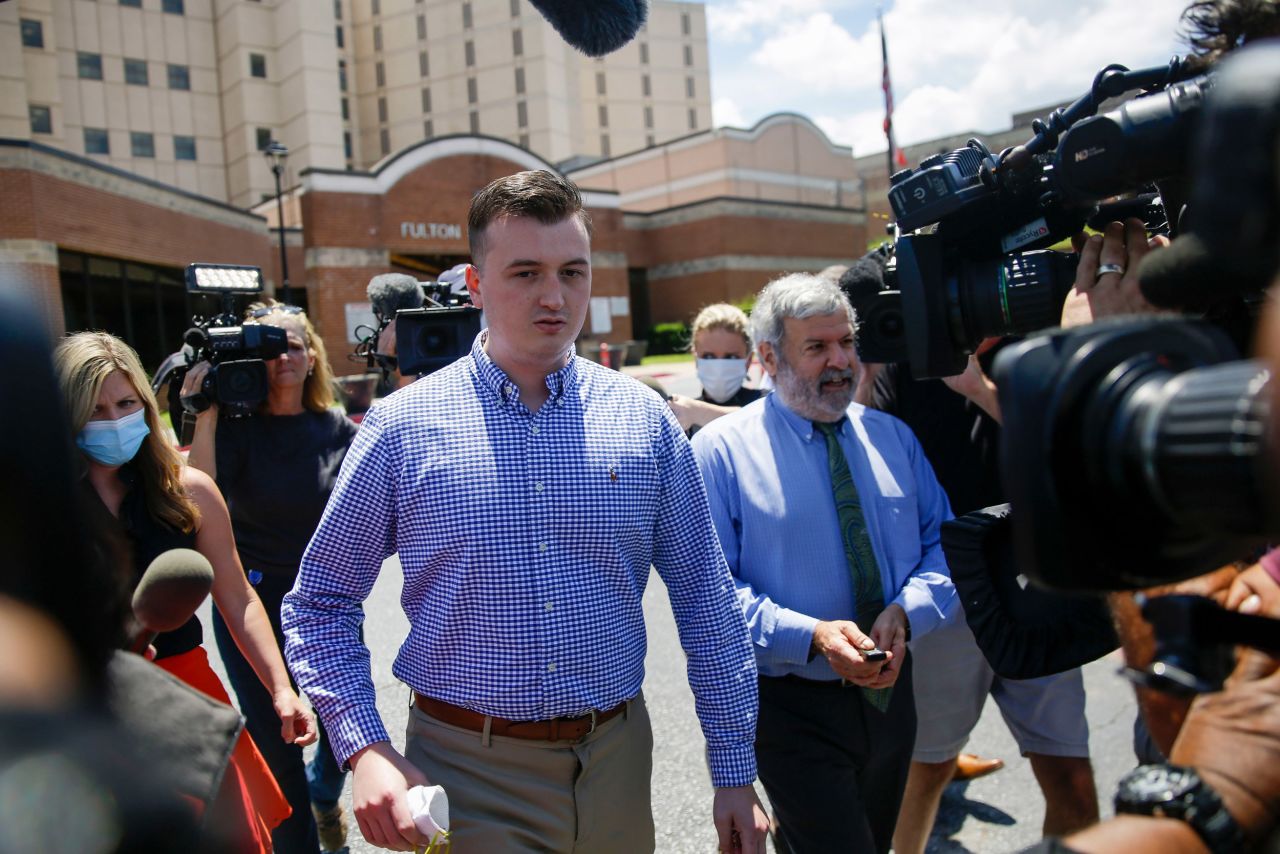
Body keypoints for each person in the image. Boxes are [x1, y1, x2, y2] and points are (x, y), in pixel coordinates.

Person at [282, 169, 770, 853]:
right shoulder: (401, 427)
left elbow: (706, 601)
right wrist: (364, 747)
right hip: (465, 772)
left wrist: (733, 771)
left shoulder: (644, 420)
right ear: (476, 284)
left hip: (617, 763)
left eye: (573, 271)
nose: (555, 295)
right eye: (525, 273)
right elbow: (321, 603)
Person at [691, 273, 957, 854]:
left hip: (891, 697)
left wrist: (907, 612)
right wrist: (810, 635)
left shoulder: (894, 438)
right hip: (792, 705)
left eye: (846, 343)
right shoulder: (721, 453)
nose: (840, 362)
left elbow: (945, 546)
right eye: (816, 347)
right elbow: (710, 593)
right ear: (768, 357)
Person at [55, 331, 317, 854]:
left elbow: (238, 596)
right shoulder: (34, 502)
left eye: (126, 403)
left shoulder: (188, 489)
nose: (113, 420)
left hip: (187, 698)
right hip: (79, 707)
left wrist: (280, 687)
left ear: (147, 406)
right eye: (95, 409)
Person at [183, 301, 359, 854]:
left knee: (342, 725)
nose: (286, 355)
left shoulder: (338, 430)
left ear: (312, 359)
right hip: (251, 601)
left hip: (326, 603)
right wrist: (206, 413)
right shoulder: (235, 431)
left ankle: (323, 792)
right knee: (277, 744)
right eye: (274, 346)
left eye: (296, 345)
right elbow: (197, 492)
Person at [667, 303, 763, 436]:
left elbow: (761, 420)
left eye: (731, 357)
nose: (719, 367)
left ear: (748, 360)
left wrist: (699, 412)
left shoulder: (766, 402)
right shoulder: (681, 417)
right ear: (696, 358)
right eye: (708, 356)